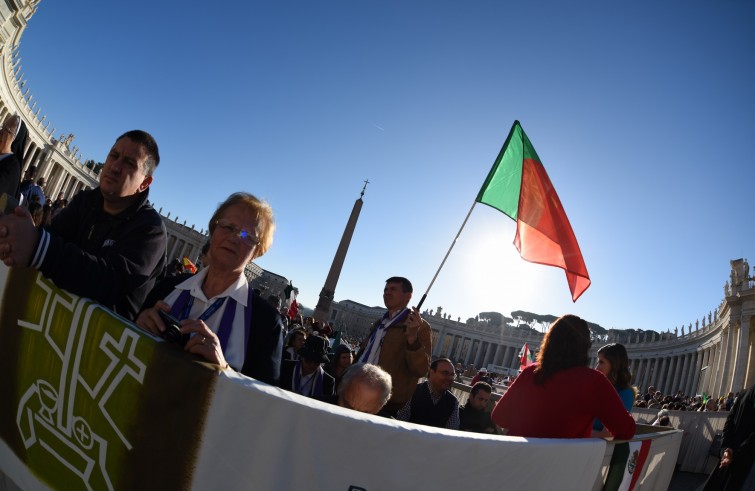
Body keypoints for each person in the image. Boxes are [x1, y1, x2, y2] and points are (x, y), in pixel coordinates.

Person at [0, 130, 166, 321]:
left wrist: (38, 246)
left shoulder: (151, 229)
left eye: (129, 163)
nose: (115, 166)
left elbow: (109, 283)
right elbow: (52, 236)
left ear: (144, 183)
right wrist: (13, 236)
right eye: (114, 155)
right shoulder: (87, 200)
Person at [137, 192, 284, 385]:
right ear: (213, 230)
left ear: (257, 252)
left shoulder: (266, 323)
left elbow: (265, 403)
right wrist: (136, 327)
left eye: (247, 236)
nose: (234, 238)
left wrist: (224, 371)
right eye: (228, 227)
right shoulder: (166, 287)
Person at [491, 315, 636, 439]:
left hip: (514, 459)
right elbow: (626, 430)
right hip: (563, 467)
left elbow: (499, 417)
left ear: (549, 342)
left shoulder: (531, 372)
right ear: (584, 347)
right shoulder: (593, 381)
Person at [355, 277, 432, 416]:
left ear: (408, 296)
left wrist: (412, 338)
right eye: (385, 289)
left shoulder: (420, 327)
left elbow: (421, 369)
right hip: (356, 391)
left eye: (393, 289)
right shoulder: (381, 322)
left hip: (384, 403)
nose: (387, 293)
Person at [703, 384, 755, 490]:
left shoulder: (743, 394)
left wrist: (726, 449)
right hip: (746, 461)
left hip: (729, 454)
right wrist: (734, 453)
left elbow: (729, 423)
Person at [397, 358, 459, 430]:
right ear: (432, 372)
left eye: (452, 375)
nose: (450, 378)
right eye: (445, 373)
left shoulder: (453, 402)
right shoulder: (413, 391)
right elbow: (400, 423)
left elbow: (451, 432)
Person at [593, 343, 637, 437]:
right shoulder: (597, 389)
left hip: (597, 448)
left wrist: (576, 433)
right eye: (597, 362)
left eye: (601, 362)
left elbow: (607, 433)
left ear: (614, 365)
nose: (596, 368)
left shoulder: (625, 394)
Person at [279, 335, 335, 399]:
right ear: (302, 357)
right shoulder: (286, 367)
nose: (312, 365)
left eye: (316, 363)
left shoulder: (328, 381)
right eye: (308, 361)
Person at [0, 114, 21, 201]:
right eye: (2, 127)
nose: (1, 131)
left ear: (14, 138)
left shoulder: (12, 167)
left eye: (6, 129)